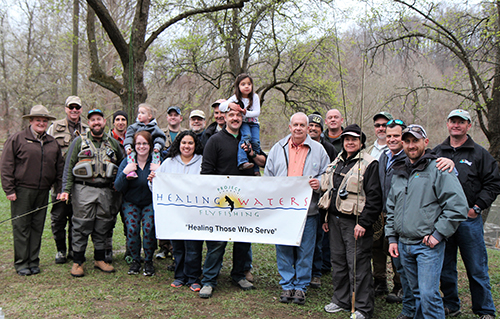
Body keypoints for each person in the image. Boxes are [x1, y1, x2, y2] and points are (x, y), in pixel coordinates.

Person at [386, 124, 468, 319]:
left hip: (426, 246)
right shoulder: (399, 171)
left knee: (428, 295)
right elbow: (391, 207)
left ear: (426, 142)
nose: (411, 145)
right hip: (403, 244)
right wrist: (391, 238)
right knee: (415, 294)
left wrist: (438, 234)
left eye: (415, 140)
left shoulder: (439, 168)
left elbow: (457, 206)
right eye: (407, 141)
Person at [434, 109, 500, 319]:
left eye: (461, 122)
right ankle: (451, 305)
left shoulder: (479, 154)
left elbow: (493, 183)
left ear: (468, 126)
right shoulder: (437, 152)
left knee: (476, 267)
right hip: (444, 220)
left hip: (468, 220)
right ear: (447, 124)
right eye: (453, 121)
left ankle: (485, 310)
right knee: (446, 267)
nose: (456, 125)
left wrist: (478, 207)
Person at [264, 112, 329, 305]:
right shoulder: (278, 148)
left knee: (305, 249)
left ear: (308, 127)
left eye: (303, 125)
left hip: (308, 210)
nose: (299, 128)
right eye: (296, 125)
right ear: (290, 127)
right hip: (283, 210)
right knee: (283, 247)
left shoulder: (319, 150)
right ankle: (287, 284)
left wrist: (320, 182)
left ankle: (300, 286)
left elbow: (328, 174)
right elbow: (268, 176)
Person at [198, 108, 262, 298]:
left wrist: (252, 154)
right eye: (231, 115)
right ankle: (209, 280)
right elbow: (206, 171)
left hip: (244, 201)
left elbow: (262, 161)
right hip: (221, 201)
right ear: (224, 118)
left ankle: (238, 275)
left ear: (243, 118)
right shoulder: (215, 141)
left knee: (242, 241)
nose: (235, 118)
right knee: (217, 242)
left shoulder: (248, 141)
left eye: (238, 115)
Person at [322, 124, 382, 319]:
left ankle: (363, 308)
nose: (350, 142)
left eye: (354, 139)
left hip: (355, 223)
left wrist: (364, 223)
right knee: (338, 261)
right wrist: (326, 218)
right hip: (334, 220)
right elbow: (330, 191)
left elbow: (374, 198)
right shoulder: (337, 162)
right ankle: (341, 299)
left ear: (361, 142)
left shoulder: (370, 163)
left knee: (358, 264)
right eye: (346, 139)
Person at [60, 109, 124, 277]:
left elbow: (123, 164)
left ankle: (99, 259)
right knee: (81, 225)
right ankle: (78, 262)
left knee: (103, 225)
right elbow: (68, 166)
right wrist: (66, 190)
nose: (96, 122)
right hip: (83, 189)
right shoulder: (78, 142)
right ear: (88, 123)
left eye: (99, 119)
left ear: (104, 122)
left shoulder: (113, 143)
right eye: (93, 120)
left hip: (106, 191)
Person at [1, 105, 64, 276]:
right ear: (31, 121)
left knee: (37, 227)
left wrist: (59, 189)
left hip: (43, 191)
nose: (41, 123)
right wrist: (9, 189)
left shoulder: (52, 142)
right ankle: (22, 263)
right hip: (22, 191)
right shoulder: (18, 139)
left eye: (44, 121)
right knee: (21, 227)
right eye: (38, 120)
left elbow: (59, 168)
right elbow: (6, 165)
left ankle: (33, 261)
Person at [151, 131, 204, 291]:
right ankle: (180, 276)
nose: (186, 146)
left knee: (193, 247)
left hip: (195, 214)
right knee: (178, 247)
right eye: (183, 143)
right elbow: (157, 187)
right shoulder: (168, 163)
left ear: (195, 145)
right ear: (178, 144)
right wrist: (153, 180)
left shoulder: (202, 162)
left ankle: (194, 278)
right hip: (175, 214)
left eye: (190, 143)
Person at [47, 95, 89, 264]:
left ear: (81, 110)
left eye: (77, 107)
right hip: (59, 182)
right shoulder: (54, 128)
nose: (74, 110)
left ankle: (74, 249)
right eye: (71, 107)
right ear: (65, 108)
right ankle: (60, 250)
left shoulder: (87, 129)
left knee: (76, 218)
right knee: (58, 218)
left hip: (80, 183)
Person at [115, 131, 158, 276]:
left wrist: (160, 173)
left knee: (148, 228)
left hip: (149, 201)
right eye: (138, 143)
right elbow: (117, 186)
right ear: (134, 146)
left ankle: (149, 261)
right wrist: (125, 174)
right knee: (132, 228)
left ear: (150, 145)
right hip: (131, 201)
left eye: (145, 143)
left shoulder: (156, 161)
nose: (141, 146)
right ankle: (135, 260)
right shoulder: (128, 161)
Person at [307, 113, 337, 289]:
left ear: (321, 129)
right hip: (302, 201)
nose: (313, 129)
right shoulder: (300, 146)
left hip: (322, 199)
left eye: (316, 126)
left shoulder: (328, 148)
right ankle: (303, 268)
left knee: (319, 238)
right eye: (310, 125)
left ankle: (316, 272)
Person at [367, 111, 394, 297]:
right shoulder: (369, 150)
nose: (381, 128)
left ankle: (399, 285)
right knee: (376, 246)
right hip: (375, 207)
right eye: (378, 125)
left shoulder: (400, 148)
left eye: (385, 125)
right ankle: (380, 281)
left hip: (394, 209)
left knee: (394, 246)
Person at [157, 105, 186, 260]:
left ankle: (176, 247)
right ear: (167, 118)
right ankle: (163, 246)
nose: (173, 117)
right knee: (165, 212)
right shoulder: (160, 134)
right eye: (170, 115)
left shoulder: (186, 134)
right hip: (165, 179)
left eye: (176, 115)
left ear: (181, 118)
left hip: (181, 178)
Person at [219, 73, 261, 170]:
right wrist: (229, 105)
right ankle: (242, 161)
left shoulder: (254, 97)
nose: (246, 86)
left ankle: (255, 168)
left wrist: (245, 112)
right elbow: (221, 107)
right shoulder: (235, 98)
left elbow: (257, 112)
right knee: (247, 137)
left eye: (249, 84)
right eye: (243, 84)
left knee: (255, 142)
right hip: (244, 123)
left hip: (254, 123)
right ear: (238, 86)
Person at [123, 103, 165, 179]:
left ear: (149, 116)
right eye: (139, 113)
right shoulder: (134, 127)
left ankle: (154, 170)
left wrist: (158, 146)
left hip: (151, 151)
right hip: (137, 151)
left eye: (142, 113)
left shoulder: (154, 128)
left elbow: (160, 137)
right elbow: (129, 136)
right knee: (130, 154)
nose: (139, 115)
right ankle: (131, 171)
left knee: (156, 154)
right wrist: (128, 145)